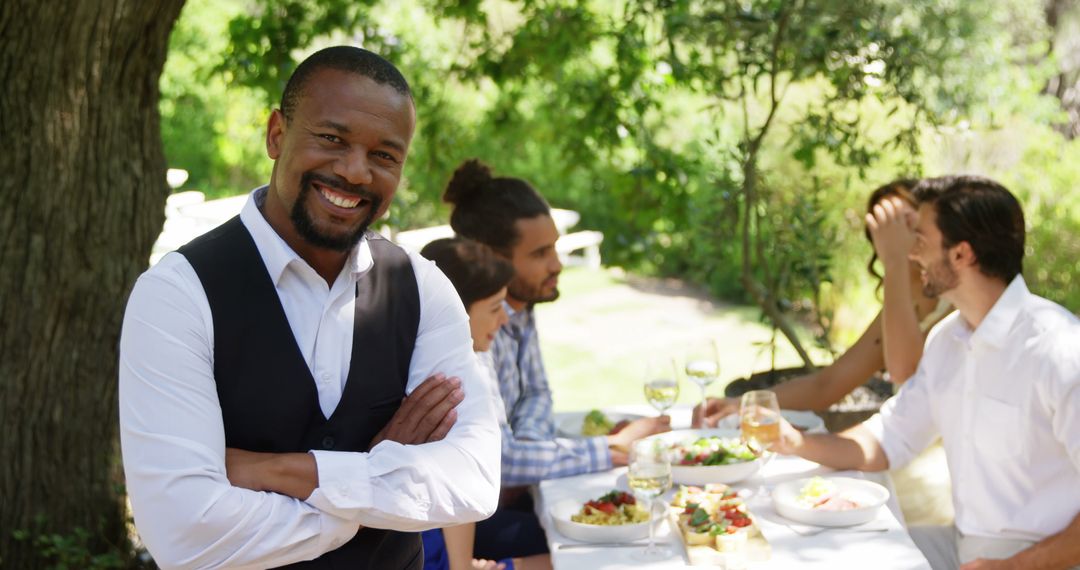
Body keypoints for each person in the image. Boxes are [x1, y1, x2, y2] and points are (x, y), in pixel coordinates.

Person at [119, 46, 500, 569]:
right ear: (277, 134)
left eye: (384, 155)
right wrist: (371, 485)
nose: (355, 171)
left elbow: (472, 481)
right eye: (332, 139)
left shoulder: (422, 288)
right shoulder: (178, 294)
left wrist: (274, 471)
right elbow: (184, 534)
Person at [773, 175, 1080, 570]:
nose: (911, 254)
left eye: (920, 240)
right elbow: (886, 439)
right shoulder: (946, 341)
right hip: (962, 547)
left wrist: (1013, 567)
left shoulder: (1060, 351)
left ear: (961, 255)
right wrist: (794, 442)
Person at [443, 159, 670, 560]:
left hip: (509, 494)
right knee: (609, 541)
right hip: (463, 522)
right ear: (494, 257)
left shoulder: (521, 304)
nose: (557, 264)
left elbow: (537, 392)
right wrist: (613, 447)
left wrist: (528, 447)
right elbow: (500, 461)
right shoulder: (469, 330)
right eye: (540, 253)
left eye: (556, 247)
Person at [692, 179, 952, 426]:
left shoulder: (955, 301)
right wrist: (741, 404)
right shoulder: (901, 304)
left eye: (904, 221)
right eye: (883, 227)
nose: (894, 235)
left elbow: (907, 370)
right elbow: (827, 385)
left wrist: (895, 262)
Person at [419, 237, 552, 570]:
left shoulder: (466, 364)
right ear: (456, 315)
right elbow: (451, 490)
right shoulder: (443, 388)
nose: (504, 321)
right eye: (495, 309)